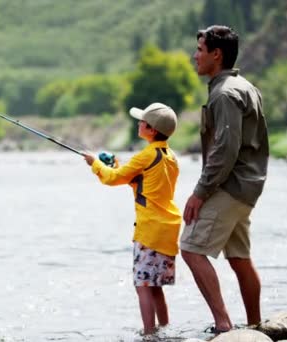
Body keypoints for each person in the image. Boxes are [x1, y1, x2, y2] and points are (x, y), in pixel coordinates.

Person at [180, 25, 269, 333]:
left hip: (230, 186)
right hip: (247, 187)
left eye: (200, 51)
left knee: (191, 248)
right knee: (240, 257)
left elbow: (225, 150)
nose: (195, 56)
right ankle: (256, 326)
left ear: (216, 55)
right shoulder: (245, 86)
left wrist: (199, 193)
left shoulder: (224, 94)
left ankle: (224, 325)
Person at [82, 103, 182, 336]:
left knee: (143, 286)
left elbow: (112, 180)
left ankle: (149, 334)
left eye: (142, 121)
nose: (138, 123)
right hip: (168, 228)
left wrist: (95, 164)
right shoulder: (170, 156)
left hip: (149, 230)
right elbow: (141, 182)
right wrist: (116, 166)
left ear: (152, 129)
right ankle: (165, 330)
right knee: (156, 286)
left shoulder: (146, 155)